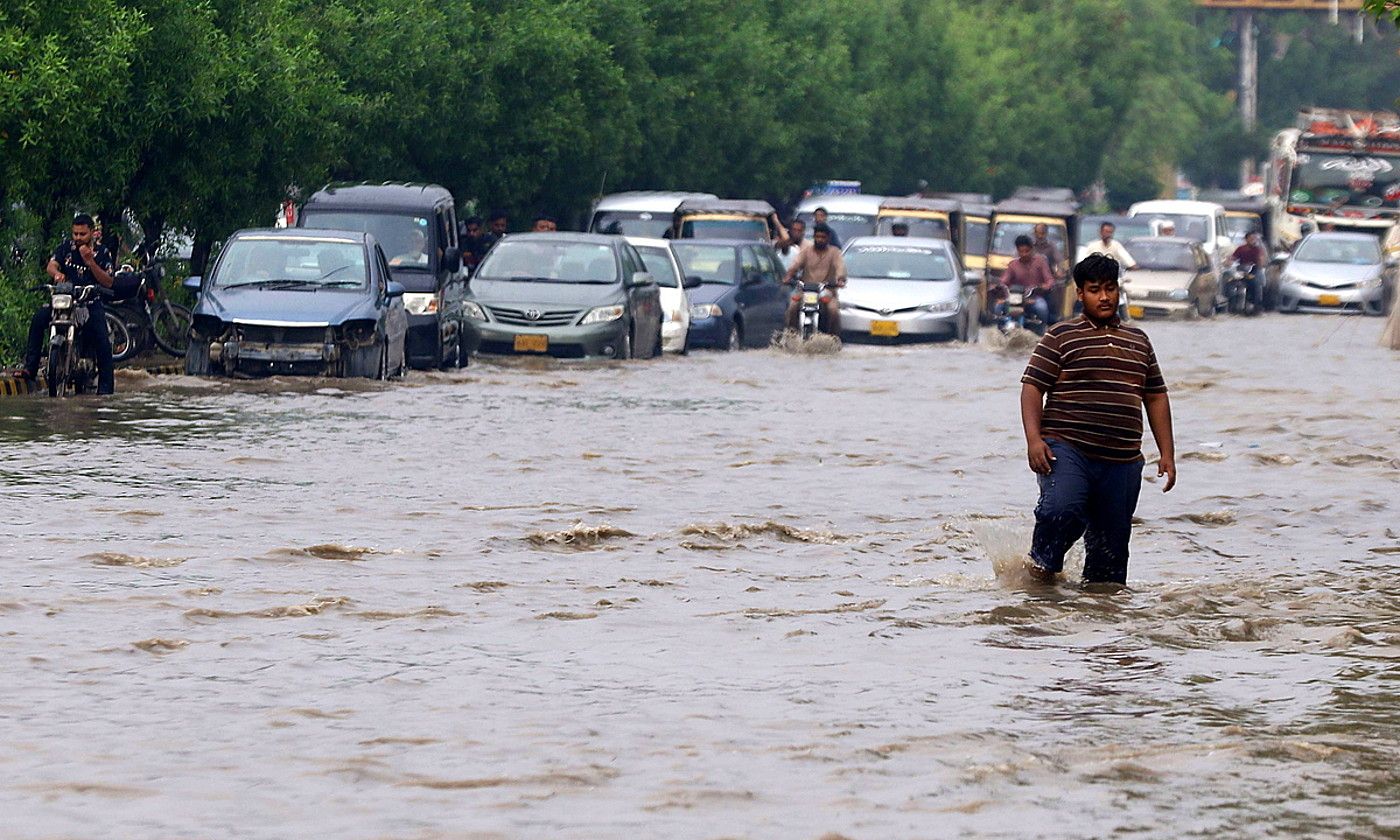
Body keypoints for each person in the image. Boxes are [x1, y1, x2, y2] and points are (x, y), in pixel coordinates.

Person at [1019, 253, 1176, 585]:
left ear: (1118, 291)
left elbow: (1156, 396)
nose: (1104, 297)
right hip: (1067, 450)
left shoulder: (1138, 341)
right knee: (1061, 510)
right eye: (1094, 290)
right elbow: (1032, 388)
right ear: (1080, 294)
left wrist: (1167, 454)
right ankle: (1039, 575)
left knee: (1110, 557)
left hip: (1122, 460)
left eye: (1110, 289)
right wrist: (1034, 440)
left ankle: (1101, 623)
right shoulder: (1060, 337)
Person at [23, 213, 117, 394]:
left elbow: (108, 281)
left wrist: (90, 262)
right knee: (38, 319)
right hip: (65, 300)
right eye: (75, 234)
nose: (78, 238)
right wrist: (56, 274)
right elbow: (51, 265)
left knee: (102, 340)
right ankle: (30, 368)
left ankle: (106, 390)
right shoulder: (66, 247)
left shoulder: (102, 252)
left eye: (82, 234)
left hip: (89, 302)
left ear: (91, 232)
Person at [782, 222, 845, 334]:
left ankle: (832, 339)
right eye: (817, 237)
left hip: (826, 290)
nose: (820, 240)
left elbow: (840, 267)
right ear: (814, 237)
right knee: (792, 307)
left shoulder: (835, 252)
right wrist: (788, 276)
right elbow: (795, 265)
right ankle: (791, 336)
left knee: (833, 310)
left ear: (828, 238)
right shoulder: (806, 251)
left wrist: (840, 279)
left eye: (823, 237)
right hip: (806, 290)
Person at [998, 234, 1055, 328]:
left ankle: (1040, 335)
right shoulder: (1013, 265)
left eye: (1027, 251)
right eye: (1021, 251)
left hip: (1034, 298)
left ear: (1032, 249)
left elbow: (1049, 280)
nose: (1024, 254)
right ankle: (1000, 334)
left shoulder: (1040, 262)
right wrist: (1001, 285)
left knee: (1041, 308)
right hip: (1015, 298)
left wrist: (1042, 286)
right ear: (1017, 251)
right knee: (998, 308)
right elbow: (1004, 280)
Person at [1230, 231, 1266, 314]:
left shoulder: (1258, 249)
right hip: (1242, 270)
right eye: (1251, 239)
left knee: (1257, 283)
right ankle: (1232, 306)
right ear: (1246, 239)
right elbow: (1233, 258)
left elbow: (1261, 263)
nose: (1253, 240)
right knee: (1230, 281)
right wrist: (1229, 261)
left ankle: (1257, 307)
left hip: (1254, 270)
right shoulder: (1241, 249)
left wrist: (1260, 258)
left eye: (1255, 239)